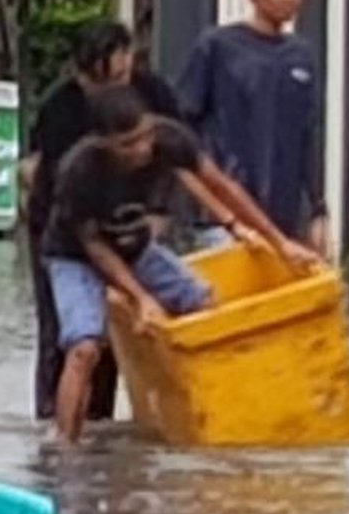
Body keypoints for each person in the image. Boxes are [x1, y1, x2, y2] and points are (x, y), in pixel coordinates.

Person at [42, 86, 322, 445]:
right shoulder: (78, 171)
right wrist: (140, 297)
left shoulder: (169, 139)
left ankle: (213, 414)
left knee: (207, 306)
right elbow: (94, 247)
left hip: (135, 244)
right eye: (128, 144)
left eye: (145, 137)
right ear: (104, 144)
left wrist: (278, 242)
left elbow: (221, 185)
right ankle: (65, 448)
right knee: (84, 349)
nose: (142, 150)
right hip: (74, 255)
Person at [21, 20, 181, 423]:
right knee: (70, 334)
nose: (114, 92)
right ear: (81, 74)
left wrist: (157, 215)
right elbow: (43, 182)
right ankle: (57, 427)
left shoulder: (154, 95)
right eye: (102, 81)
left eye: (122, 76)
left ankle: (102, 425)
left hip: (131, 227)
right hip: (65, 234)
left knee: (121, 335)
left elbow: (180, 161)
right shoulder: (62, 110)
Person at [176, 0, 331, 259]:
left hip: (287, 215)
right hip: (224, 217)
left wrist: (317, 208)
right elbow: (180, 128)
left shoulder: (301, 55)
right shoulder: (218, 46)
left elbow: (310, 135)